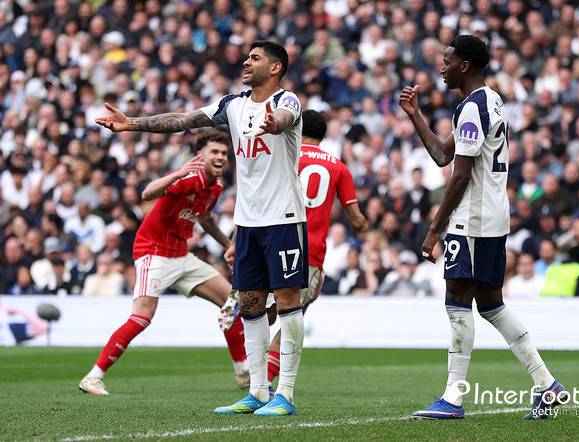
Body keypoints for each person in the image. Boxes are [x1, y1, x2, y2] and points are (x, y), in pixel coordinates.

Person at [96, 41, 305, 416]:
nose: (246, 62)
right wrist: (132, 124)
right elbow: (183, 119)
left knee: (288, 302)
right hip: (247, 223)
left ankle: (285, 394)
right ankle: (258, 391)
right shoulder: (232, 105)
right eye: (247, 57)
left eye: (255, 58)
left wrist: (275, 123)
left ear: (275, 68)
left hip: (284, 219)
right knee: (250, 304)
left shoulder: (286, 100)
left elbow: (286, 117)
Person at [399, 35, 565, 421]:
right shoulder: (489, 101)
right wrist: (415, 116)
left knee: (457, 299)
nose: (442, 68)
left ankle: (453, 397)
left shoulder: (472, 108)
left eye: (447, 61)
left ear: (465, 66)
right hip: (493, 217)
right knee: (491, 304)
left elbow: (459, 174)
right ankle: (547, 384)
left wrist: (434, 229)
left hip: (472, 219)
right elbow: (444, 154)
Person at [78, 131, 248, 396]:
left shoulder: (214, 187)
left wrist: (229, 246)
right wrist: (178, 173)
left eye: (224, 153)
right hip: (154, 252)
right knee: (142, 317)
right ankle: (93, 376)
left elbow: (204, 219)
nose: (220, 157)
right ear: (200, 155)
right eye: (214, 152)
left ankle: (243, 372)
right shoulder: (186, 178)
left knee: (232, 301)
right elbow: (147, 193)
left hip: (181, 255)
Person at [263, 110, 367, 386]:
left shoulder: (285, 158)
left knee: (269, 312)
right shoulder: (339, 168)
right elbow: (356, 221)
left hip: (274, 245)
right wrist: (363, 224)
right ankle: (267, 380)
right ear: (324, 134)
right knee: (294, 317)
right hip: (309, 253)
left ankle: (257, 371)